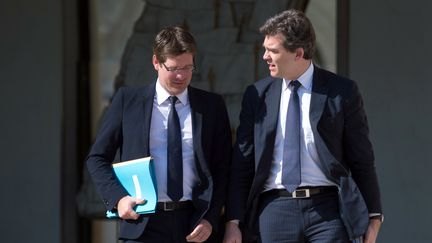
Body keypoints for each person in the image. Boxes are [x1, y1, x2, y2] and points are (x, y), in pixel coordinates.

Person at [223, 9, 383, 243]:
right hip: (275, 209)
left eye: (273, 50)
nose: (265, 56)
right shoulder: (257, 95)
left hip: (329, 212)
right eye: (265, 48)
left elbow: (362, 158)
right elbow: (243, 163)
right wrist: (233, 221)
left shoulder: (341, 92)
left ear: (298, 53)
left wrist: (374, 215)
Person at [86, 26, 232, 243]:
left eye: (188, 67)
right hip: (142, 223)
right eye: (173, 68)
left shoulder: (211, 106)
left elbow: (223, 168)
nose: (181, 75)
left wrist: (210, 218)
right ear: (156, 62)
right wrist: (119, 199)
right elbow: (97, 158)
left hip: (194, 223)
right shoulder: (128, 101)